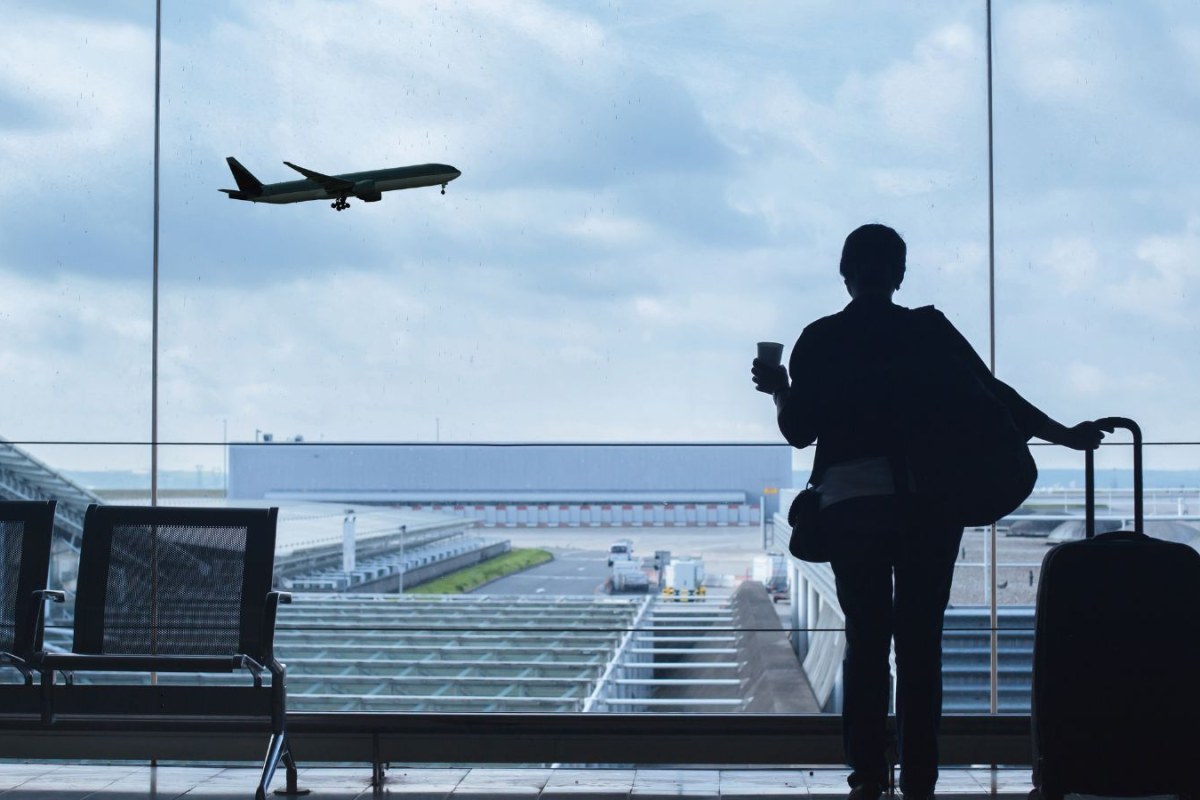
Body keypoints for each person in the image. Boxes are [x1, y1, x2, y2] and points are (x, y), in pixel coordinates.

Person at [751, 223, 1102, 800]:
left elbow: (797, 431)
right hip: (928, 507)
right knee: (921, 647)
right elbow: (995, 396)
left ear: (845, 273)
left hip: (851, 507)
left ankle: (868, 778)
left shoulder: (820, 338)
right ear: (900, 273)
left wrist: (780, 387)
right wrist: (1063, 434)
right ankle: (919, 781)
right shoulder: (929, 331)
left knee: (867, 644)